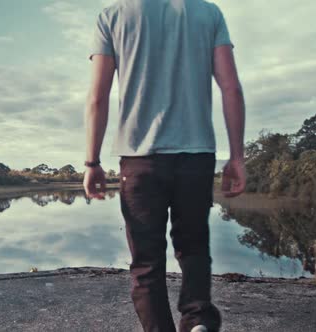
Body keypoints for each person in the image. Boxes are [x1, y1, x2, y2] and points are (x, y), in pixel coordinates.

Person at [83, 0, 246, 331]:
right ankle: (198, 318)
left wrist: (92, 161)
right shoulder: (208, 13)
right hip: (197, 156)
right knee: (194, 247)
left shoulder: (112, 17)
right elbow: (230, 87)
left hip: (140, 159)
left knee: (146, 264)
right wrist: (237, 157)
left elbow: (97, 98)